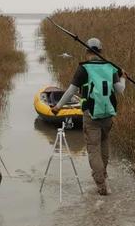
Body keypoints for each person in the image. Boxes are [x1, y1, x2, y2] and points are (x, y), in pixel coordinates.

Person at [51, 37, 125, 195]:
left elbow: (71, 91)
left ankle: (101, 185)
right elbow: (120, 90)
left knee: (93, 149)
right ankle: (104, 175)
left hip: (91, 115)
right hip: (108, 115)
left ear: (87, 51)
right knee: (104, 146)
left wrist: (58, 107)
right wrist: (123, 76)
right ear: (101, 51)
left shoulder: (83, 69)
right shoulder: (111, 68)